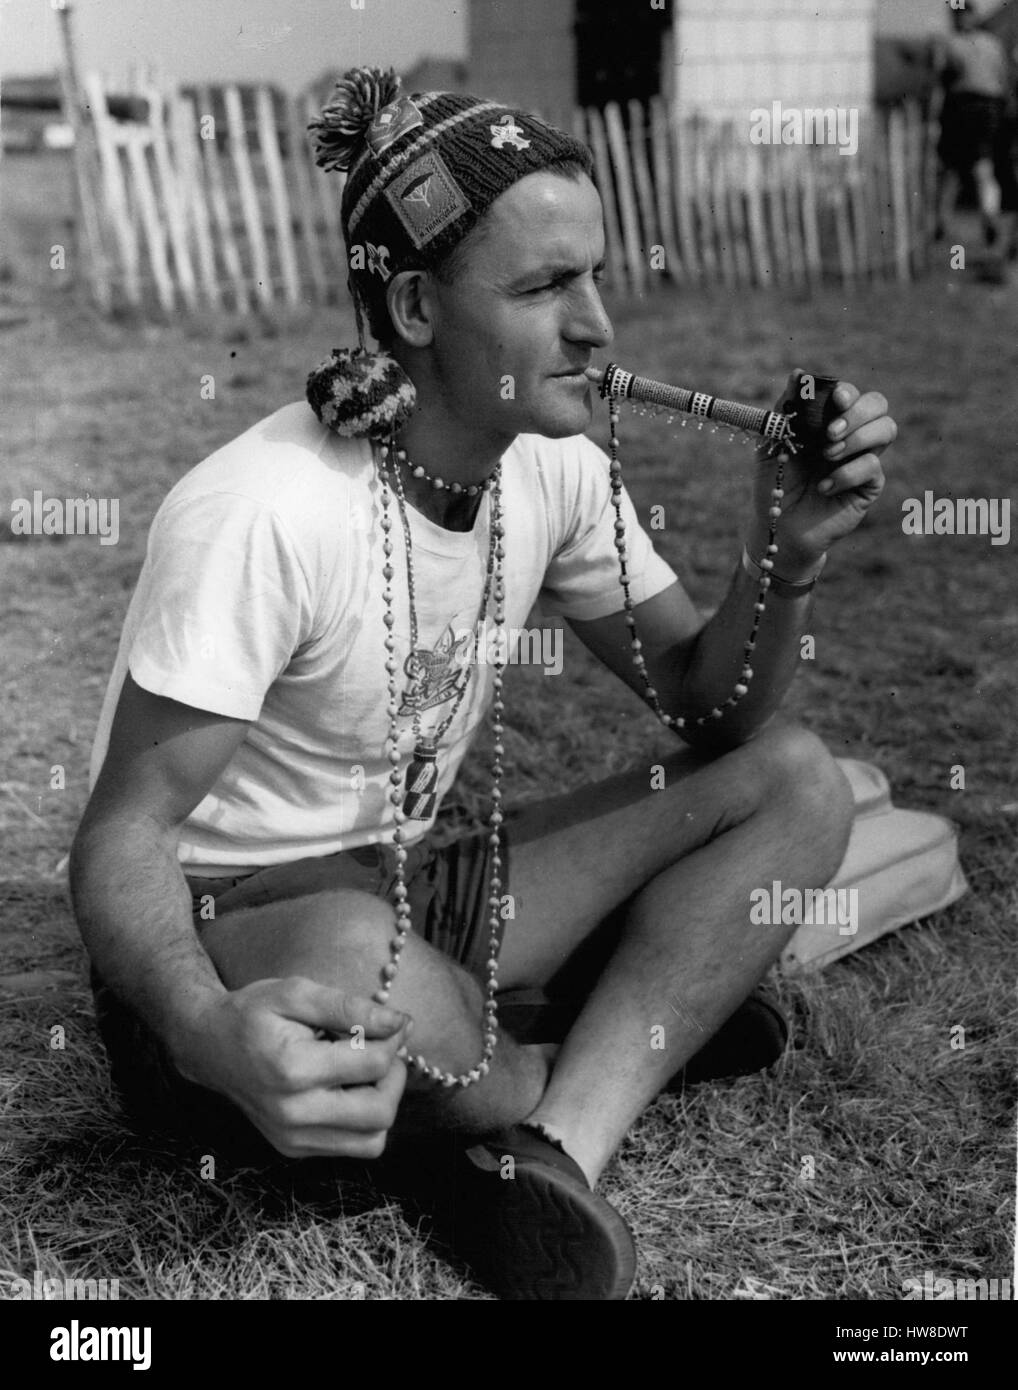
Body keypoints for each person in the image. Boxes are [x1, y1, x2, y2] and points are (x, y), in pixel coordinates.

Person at [70, 68, 896, 1301]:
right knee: (384, 984)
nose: (599, 325)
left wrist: (788, 554)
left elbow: (711, 710)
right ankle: (613, 1020)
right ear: (412, 304)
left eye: (595, 275)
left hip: (407, 892)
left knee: (797, 782)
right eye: (544, 286)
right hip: (232, 941)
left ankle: (557, 1142)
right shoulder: (264, 513)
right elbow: (120, 843)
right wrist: (201, 1030)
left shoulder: (547, 467)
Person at [934, 1, 1010, 248]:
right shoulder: (993, 44)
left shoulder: (950, 45)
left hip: (963, 108)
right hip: (991, 109)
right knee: (981, 167)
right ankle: (987, 215)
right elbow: (1004, 79)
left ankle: (943, 222)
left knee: (951, 168)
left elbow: (939, 81)